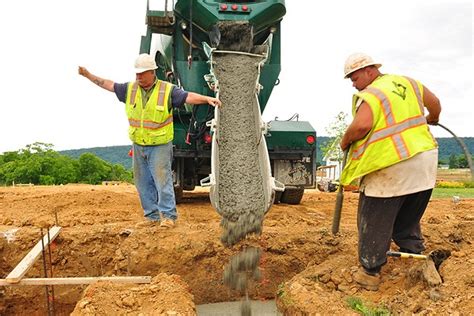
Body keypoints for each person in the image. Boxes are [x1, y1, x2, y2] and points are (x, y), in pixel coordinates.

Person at [78, 53, 221, 228]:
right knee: (142, 182)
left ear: (152, 72)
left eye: (142, 73)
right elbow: (108, 84)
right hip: (139, 145)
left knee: (163, 181)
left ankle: (169, 217)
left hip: (160, 145)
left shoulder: (167, 90)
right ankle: (151, 217)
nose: (138, 76)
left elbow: (187, 97)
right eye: (137, 73)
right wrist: (88, 75)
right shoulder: (129, 89)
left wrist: (206, 99)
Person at [339, 53, 441, 291]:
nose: (353, 84)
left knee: (373, 218)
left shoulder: (373, 94)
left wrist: (345, 141)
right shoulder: (409, 82)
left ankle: (370, 272)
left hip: (392, 165)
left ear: (369, 70)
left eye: (354, 78)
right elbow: (435, 103)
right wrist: (432, 119)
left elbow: (362, 125)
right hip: (425, 161)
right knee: (408, 214)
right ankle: (414, 254)